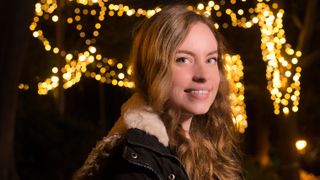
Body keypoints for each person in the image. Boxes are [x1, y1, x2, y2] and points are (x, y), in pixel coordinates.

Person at [73, 4, 243, 180]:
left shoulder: (215, 144)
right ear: (153, 69)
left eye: (211, 59)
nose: (203, 75)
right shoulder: (133, 165)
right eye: (183, 59)